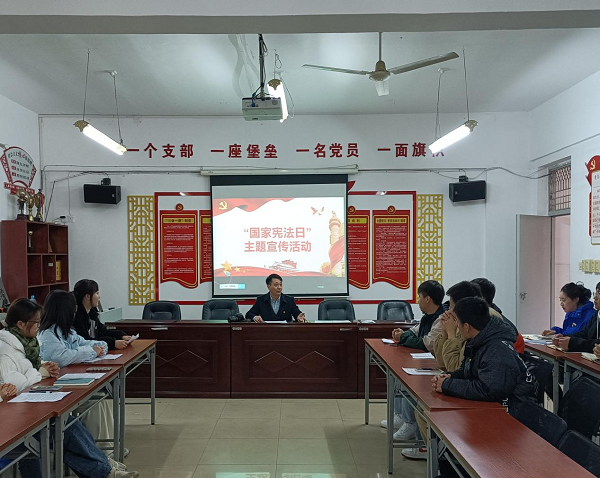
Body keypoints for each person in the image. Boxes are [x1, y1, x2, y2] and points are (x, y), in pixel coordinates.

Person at [0, 298, 138, 478]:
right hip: (16, 417)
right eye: (36, 322)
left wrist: (44, 366)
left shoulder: (29, 343)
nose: (39, 326)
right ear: (20, 324)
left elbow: (77, 346)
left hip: (28, 407)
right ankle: (104, 469)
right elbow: (15, 384)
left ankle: (104, 467)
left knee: (68, 424)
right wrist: (40, 373)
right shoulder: (7, 349)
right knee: (62, 431)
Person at [432, 297, 535, 414]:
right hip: (493, 405)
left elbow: (488, 389)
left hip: (511, 412)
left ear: (466, 326)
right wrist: (450, 377)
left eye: (457, 323)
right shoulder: (479, 341)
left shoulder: (497, 350)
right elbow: (468, 371)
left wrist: (448, 385)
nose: (457, 327)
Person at [381, 281, 445, 452]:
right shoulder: (427, 317)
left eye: (419, 297)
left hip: (434, 365)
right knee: (396, 374)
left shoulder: (440, 319)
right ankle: (401, 416)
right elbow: (415, 331)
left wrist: (403, 338)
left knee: (410, 382)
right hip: (421, 361)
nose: (418, 301)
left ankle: (410, 424)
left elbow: (426, 344)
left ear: (427, 299)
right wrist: (403, 334)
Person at [38, 289, 108, 367]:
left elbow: (82, 342)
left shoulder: (66, 331)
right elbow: (61, 358)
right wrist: (92, 351)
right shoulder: (47, 334)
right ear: (65, 311)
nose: (74, 313)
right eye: (73, 309)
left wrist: (101, 346)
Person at [73, 279, 131, 350]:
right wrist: (113, 343)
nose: (99, 297)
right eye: (97, 293)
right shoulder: (76, 317)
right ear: (88, 296)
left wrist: (121, 335)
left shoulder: (92, 313)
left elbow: (103, 331)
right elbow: (86, 341)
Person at [553, 281, 600, 352]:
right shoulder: (596, 314)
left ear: (576, 300)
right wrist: (563, 337)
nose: (595, 297)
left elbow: (593, 342)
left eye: (599, 293)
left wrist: (572, 343)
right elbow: (584, 333)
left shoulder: (590, 315)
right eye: (595, 293)